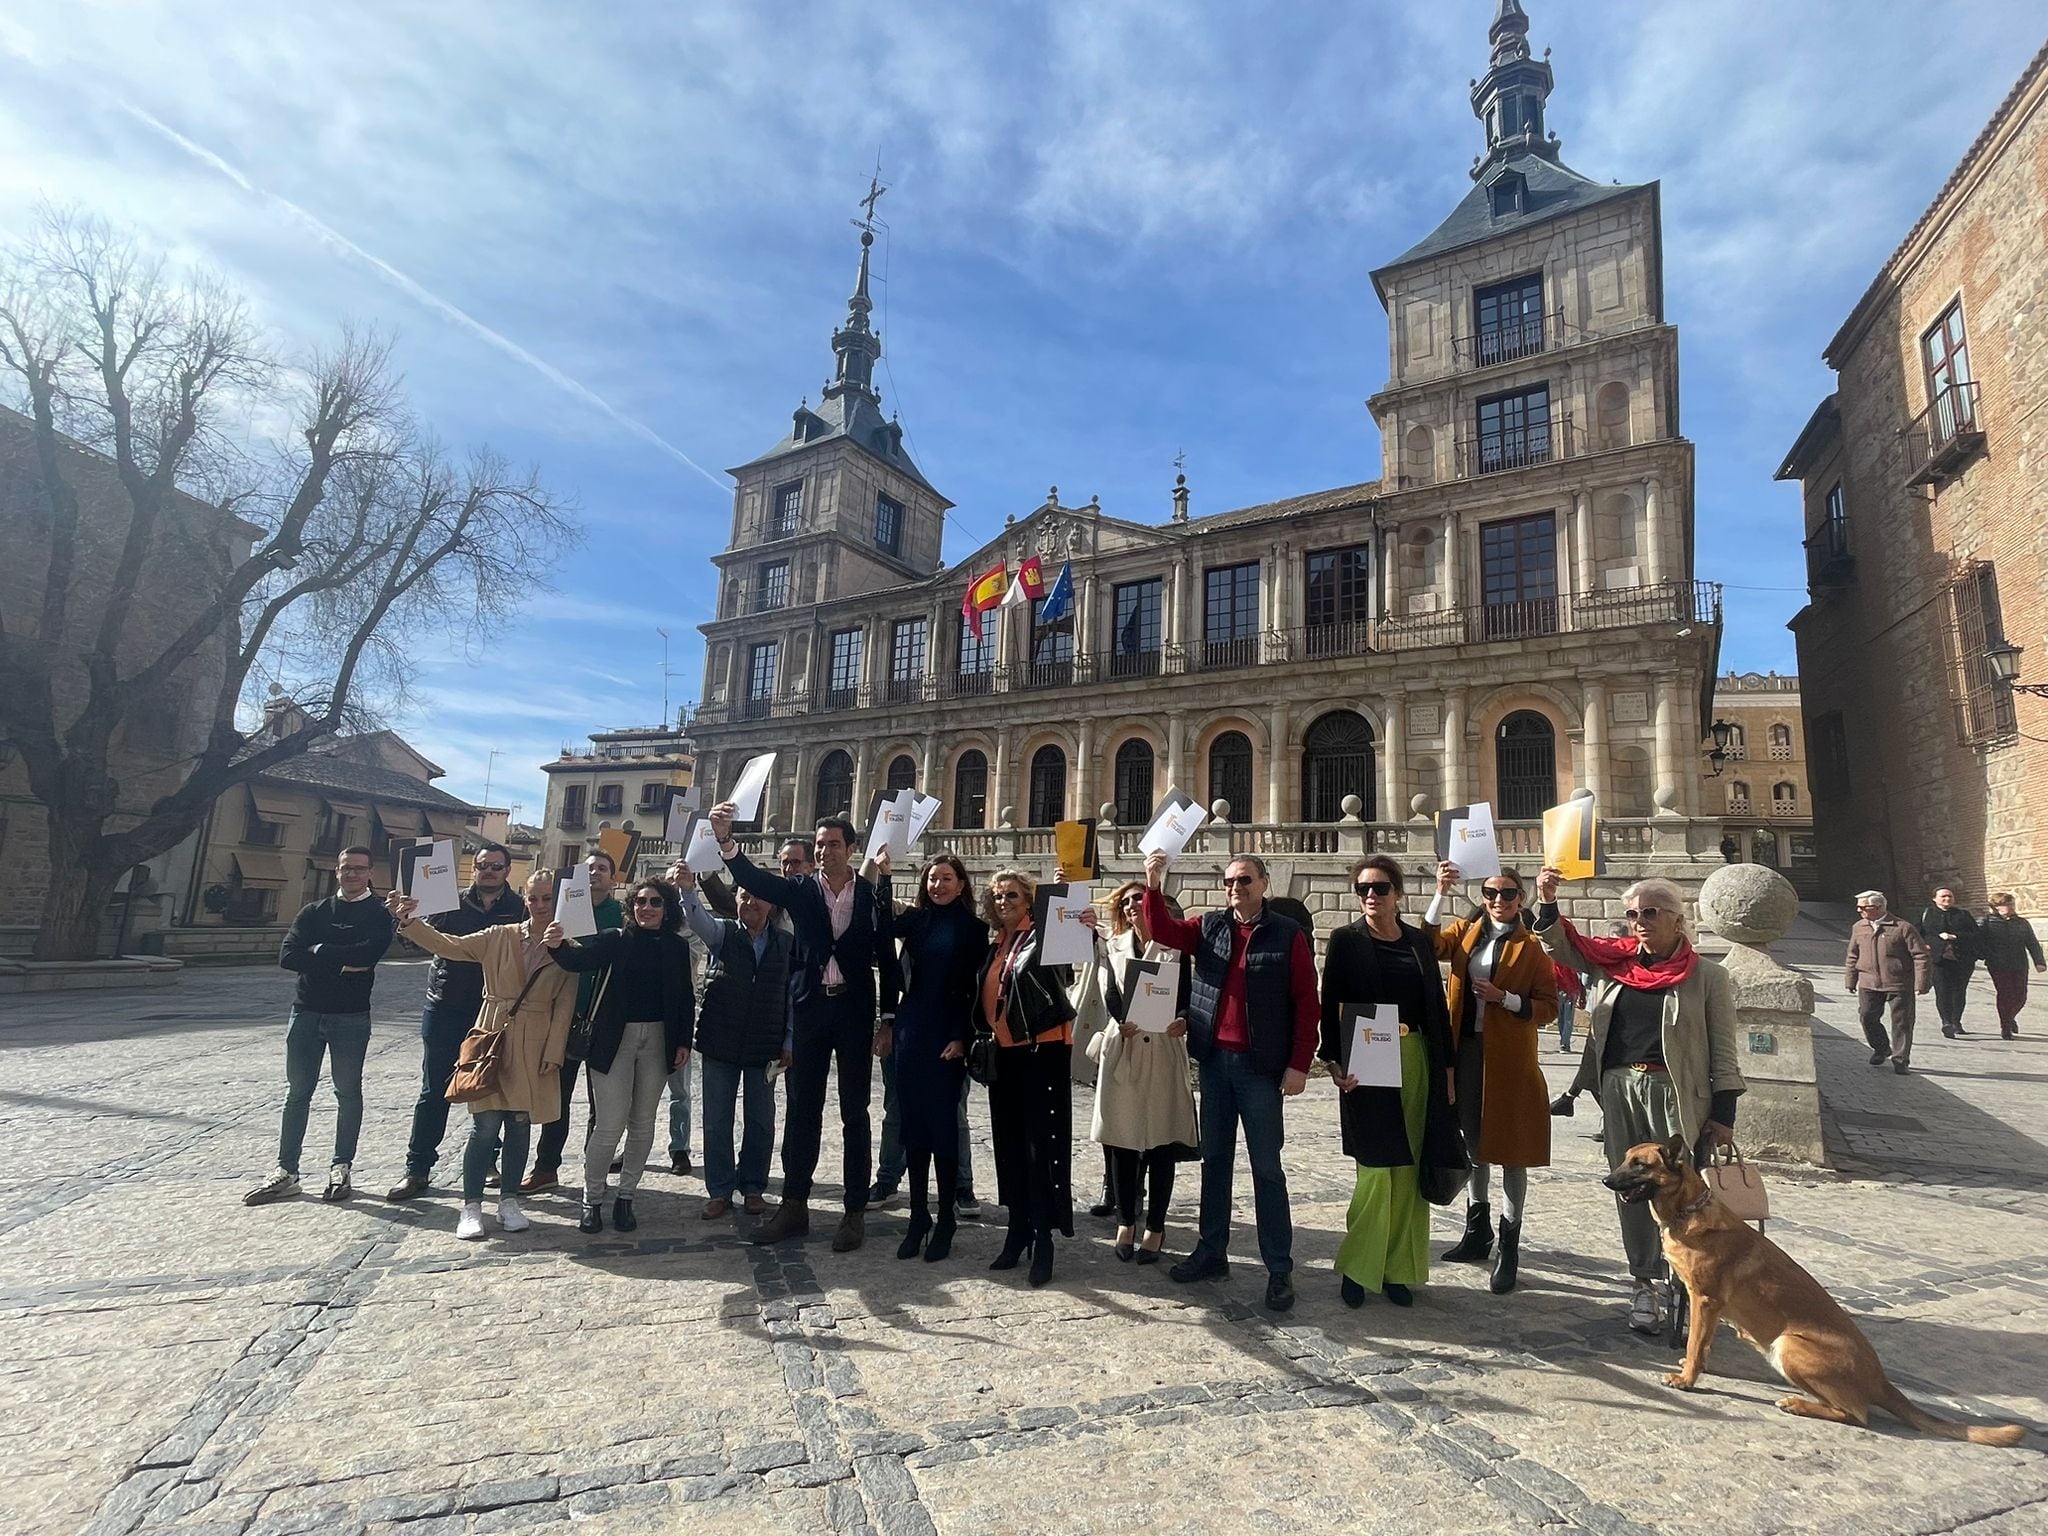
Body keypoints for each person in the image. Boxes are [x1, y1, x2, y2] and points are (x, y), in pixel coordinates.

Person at [1533, 867, 1744, 1333]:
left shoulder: (1708, 977)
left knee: (1683, 1196)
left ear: (1677, 919)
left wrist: (1723, 1114)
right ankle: (1644, 1281)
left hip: (1677, 1095)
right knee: (1632, 1189)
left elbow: (1724, 1050)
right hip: (1620, 1090)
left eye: (1650, 912)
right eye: (1633, 914)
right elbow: (1560, 946)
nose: (1640, 922)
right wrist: (1547, 899)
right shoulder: (1617, 965)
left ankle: (1684, 1280)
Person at [710, 803, 902, 1251]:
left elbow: (889, 962)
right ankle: (794, 1205)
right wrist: (725, 841)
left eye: (834, 844)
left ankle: (854, 1212)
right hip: (812, 1010)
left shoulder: (874, 896)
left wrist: (887, 1019)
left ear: (852, 849)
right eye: (819, 845)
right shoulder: (799, 890)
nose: (825, 851)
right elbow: (754, 881)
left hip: (854, 1013)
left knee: (855, 1113)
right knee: (802, 1110)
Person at [1141, 851, 1320, 1314]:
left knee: (1267, 1170)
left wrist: (1299, 1063)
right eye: (1229, 881)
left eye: (1244, 880)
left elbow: (1306, 1001)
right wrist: (1153, 885)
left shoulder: (1287, 934)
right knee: (1214, 1162)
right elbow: (1163, 933)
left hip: (1260, 1070)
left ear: (1263, 883)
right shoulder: (1210, 927)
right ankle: (1212, 1251)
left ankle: (1278, 1268)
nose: (1235, 887)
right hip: (1216, 1065)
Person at [389, 871, 577, 1239]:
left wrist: (554, 1052)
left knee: (520, 1123)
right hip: (494, 1034)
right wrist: (410, 922)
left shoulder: (568, 950)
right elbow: (451, 946)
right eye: (534, 898)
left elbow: (565, 1005)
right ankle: (471, 1206)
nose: (540, 906)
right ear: (525, 901)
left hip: (536, 1039)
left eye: (547, 899)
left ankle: (509, 1201)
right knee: (485, 1125)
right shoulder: (500, 936)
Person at [1318, 855, 1457, 1308]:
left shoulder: (1418, 942)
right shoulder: (1345, 940)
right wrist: (1333, 1059)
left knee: (1411, 1165)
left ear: (1398, 894)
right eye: (1363, 890)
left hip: (1416, 1055)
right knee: (1376, 1168)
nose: (1371, 897)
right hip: (1367, 1058)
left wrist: (1448, 1069)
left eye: (1379, 888)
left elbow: (1435, 1004)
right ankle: (1359, 1265)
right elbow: (1330, 1001)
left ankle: (1399, 1268)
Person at [1426, 863, 1559, 1294]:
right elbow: (1429, 946)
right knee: (1473, 1143)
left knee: (1511, 1150)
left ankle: (1510, 1244)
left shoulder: (1532, 945)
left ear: (1521, 898)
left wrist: (1509, 998)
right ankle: (1476, 1230)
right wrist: (1440, 892)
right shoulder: (1467, 930)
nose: (1497, 900)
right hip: (1466, 1050)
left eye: (1506, 893)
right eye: (1489, 892)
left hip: (1510, 1058)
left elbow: (1549, 1006)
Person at [245, 847, 397, 1205]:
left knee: (348, 1093)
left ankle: (341, 1167)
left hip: (351, 1016)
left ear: (370, 873)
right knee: (296, 1093)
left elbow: (368, 955)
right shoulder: (313, 911)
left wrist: (317, 951)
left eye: (359, 869)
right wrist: (341, 963)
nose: (352, 875)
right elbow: (287, 956)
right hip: (306, 1012)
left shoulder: (380, 914)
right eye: (346, 868)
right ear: (336, 871)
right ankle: (287, 1171)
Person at [545, 878, 696, 1234]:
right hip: (614, 1040)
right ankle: (592, 1199)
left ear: (667, 908)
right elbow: (577, 959)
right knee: (609, 1125)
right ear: (632, 907)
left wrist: (683, 1042)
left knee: (643, 1124)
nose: (647, 908)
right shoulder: (616, 939)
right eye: (640, 901)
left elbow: (684, 997)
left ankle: (626, 1196)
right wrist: (555, 946)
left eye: (655, 902)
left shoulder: (677, 947)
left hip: (658, 1039)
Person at [386, 844, 525, 1201]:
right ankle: (417, 1169)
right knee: (434, 1091)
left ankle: (488, 1161)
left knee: (489, 1088)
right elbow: (415, 944)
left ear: (508, 870)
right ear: (473, 870)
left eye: (496, 866)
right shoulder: (445, 901)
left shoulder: (520, 909)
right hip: (445, 1006)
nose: (489, 871)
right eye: (482, 866)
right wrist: (407, 920)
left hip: (492, 1012)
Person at [976, 868, 1093, 1286]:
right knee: (1008, 1146)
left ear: (1029, 901)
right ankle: (1017, 1228)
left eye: (1012, 895)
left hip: (1042, 1052)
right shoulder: (997, 945)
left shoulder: (1044, 938)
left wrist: (1067, 894)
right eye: (998, 896)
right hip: (1005, 1056)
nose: (1003, 902)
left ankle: (1044, 1237)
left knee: (1041, 1148)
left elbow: (1073, 952)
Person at [875, 852, 988, 1262]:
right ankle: (918, 1214)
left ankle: (945, 1219)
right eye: (932, 879)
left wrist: (962, 1037)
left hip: (948, 1036)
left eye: (946, 878)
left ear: (961, 884)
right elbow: (880, 926)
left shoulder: (975, 929)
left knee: (943, 1128)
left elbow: (972, 990)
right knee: (913, 1125)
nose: (938, 885)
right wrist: (885, 877)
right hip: (912, 1029)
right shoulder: (917, 922)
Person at [1087, 880, 1200, 1265]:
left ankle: (1156, 1225)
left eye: (1140, 898)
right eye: (1128, 900)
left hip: (1164, 1048)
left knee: (1161, 1140)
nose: (1134, 904)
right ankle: (1125, 1221)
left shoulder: (1175, 947)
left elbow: (1187, 995)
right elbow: (1109, 992)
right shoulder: (1113, 945)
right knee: (1122, 1139)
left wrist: (1184, 1019)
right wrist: (1122, 1018)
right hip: (1127, 1046)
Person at [677, 870, 793, 1218]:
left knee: (760, 1120)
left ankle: (754, 1186)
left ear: (771, 905)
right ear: (736, 901)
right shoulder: (722, 933)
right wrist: (687, 890)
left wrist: (789, 1041)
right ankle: (721, 1189)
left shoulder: (787, 943)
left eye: (758, 896)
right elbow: (697, 918)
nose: (750, 902)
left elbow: (792, 997)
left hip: (765, 1045)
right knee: (716, 1120)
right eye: (743, 895)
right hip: (720, 1041)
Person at [525, 851, 623, 1192]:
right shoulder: (562, 912)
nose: (595, 872)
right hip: (565, 1016)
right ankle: (546, 1166)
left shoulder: (624, 915)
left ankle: (594, 1168)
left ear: (613, 878)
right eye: (590, 868)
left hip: (605, 1018)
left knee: (603, 1101)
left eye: (602, 868)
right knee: (558, 1097)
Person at [1845, 890, 1930, 1073]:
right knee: (1867, 1017)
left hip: (1898, 982)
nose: (1859, 911)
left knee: (1902, 1022)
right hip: (1868, 982)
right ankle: (1881, 1047)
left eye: (1863, 907)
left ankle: (1900, 1059)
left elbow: (1920, 955)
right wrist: (1850, 979)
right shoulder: (1859, 927)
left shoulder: (1902, 927)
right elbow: (1853, 954)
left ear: (1879, 907)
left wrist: (1921, 983)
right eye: (1858, 907)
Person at [1980, 893, 2045, 1040]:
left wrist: (2039, 961)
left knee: (2021, 996)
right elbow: (1979, 942)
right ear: (1995, 907)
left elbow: (2032, 943)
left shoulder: (2022, 923)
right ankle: (2006, 1026)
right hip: (1998, 964)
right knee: (2005, 994)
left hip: (2019, 963)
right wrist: (1986, 954)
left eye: (2010, 904)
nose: (2008, 908)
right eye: (2003, 905)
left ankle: (2010, 1017)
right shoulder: (1987, 922)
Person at [1916, 887, 1980, 1039]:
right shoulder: (1926, 914)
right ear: (1934, 898)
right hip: (1938, 959)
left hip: (1962, 959)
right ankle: (1946, 1022)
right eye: (1943, 896)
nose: (1947, 899)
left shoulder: (1963, 915)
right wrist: (1929, 943)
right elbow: (1918, 934)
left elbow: (1975, 934)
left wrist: (1955, 936)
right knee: (1942, 991)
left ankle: (1956, 1021)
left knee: (1959, 992)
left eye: (1950, 896)